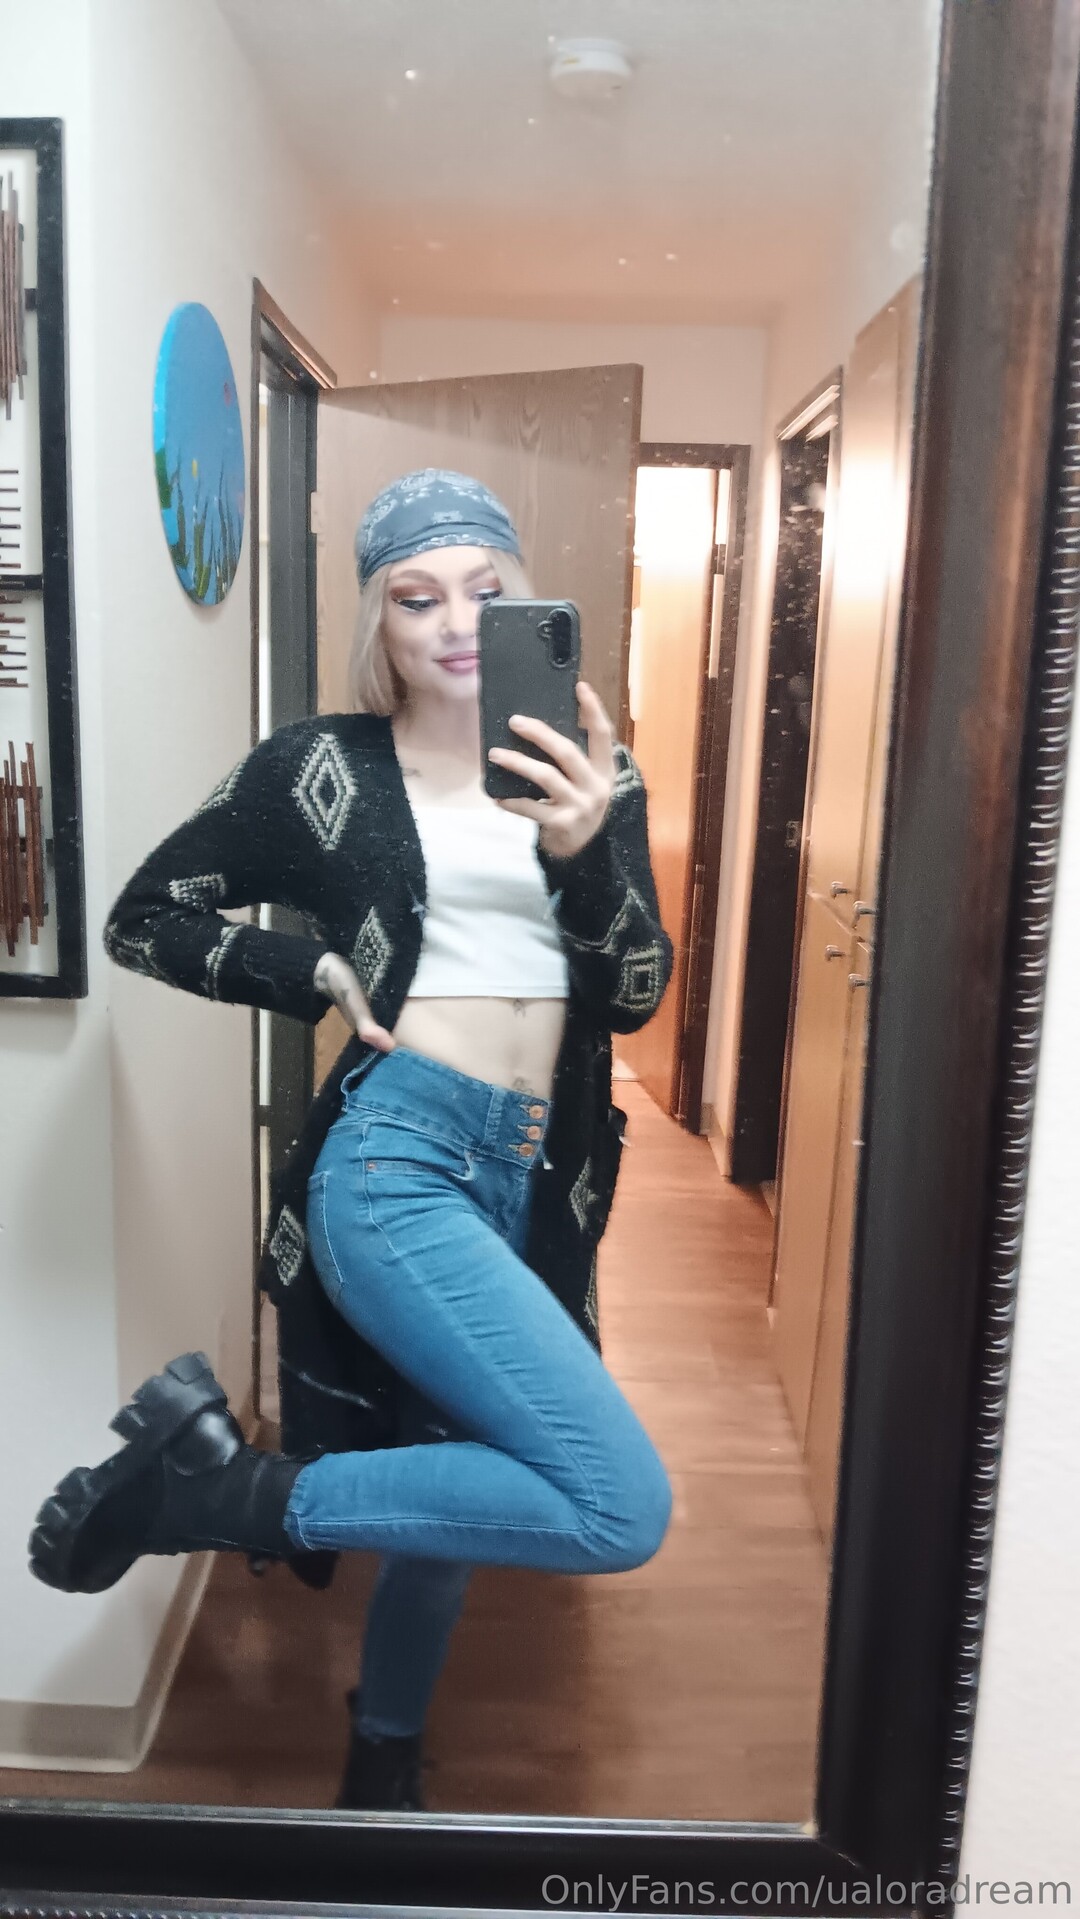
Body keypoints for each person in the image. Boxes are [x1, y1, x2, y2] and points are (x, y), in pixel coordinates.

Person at [29, 468, 676, 1814]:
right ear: (378, 620)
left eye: (486, 591)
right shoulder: (320, 766)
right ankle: (225, 1494)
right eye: (415, 596)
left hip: (538, 1177)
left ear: (528, 602)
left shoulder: (596, 769)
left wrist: (585, 848)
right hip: (400, 1159)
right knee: (619, 1503)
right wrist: (312, 971)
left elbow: (632, 993)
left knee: (471, 1478)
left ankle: (382, 1742)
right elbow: (146, 917)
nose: (456, 622)